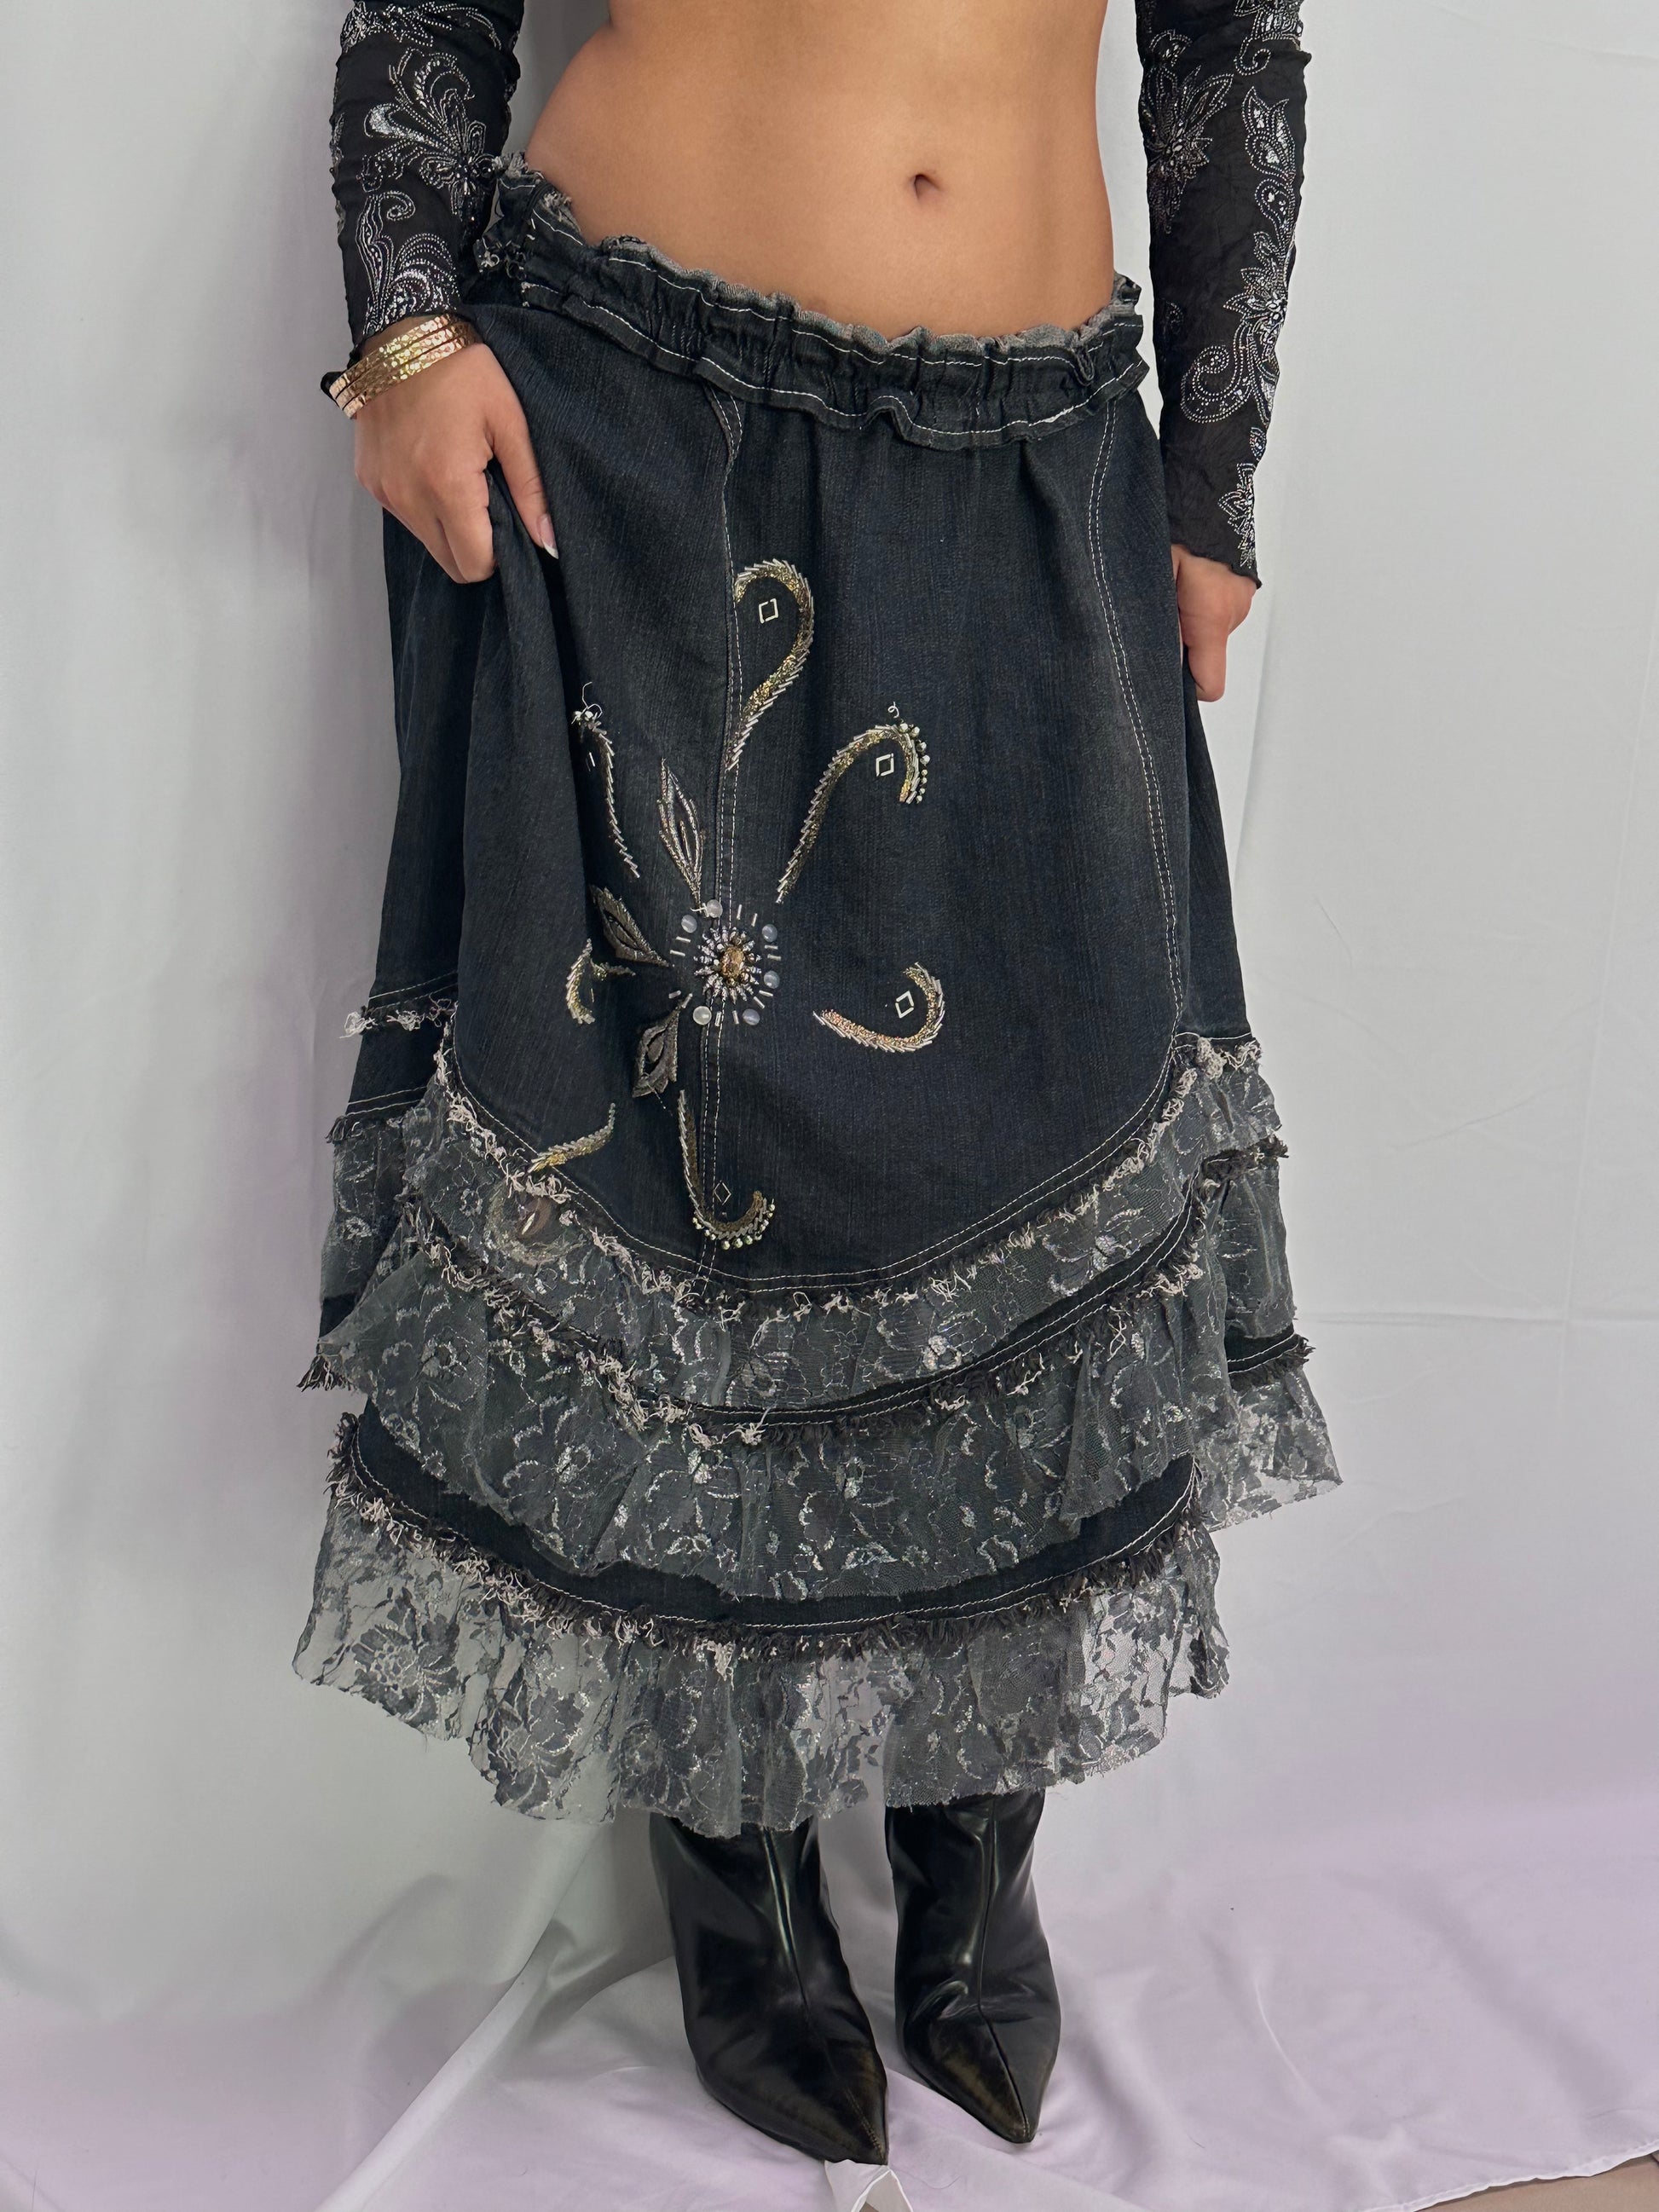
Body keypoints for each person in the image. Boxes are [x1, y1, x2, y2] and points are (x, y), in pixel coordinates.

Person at [294, 0, 1338, 2171]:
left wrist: (1212, 478)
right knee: (676, 1150)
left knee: (1053, 1117)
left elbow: (1231, 40)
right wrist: (402, 324)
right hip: (628, 420)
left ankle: (976, 1830)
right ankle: (739, 1862)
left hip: (1043, 448)